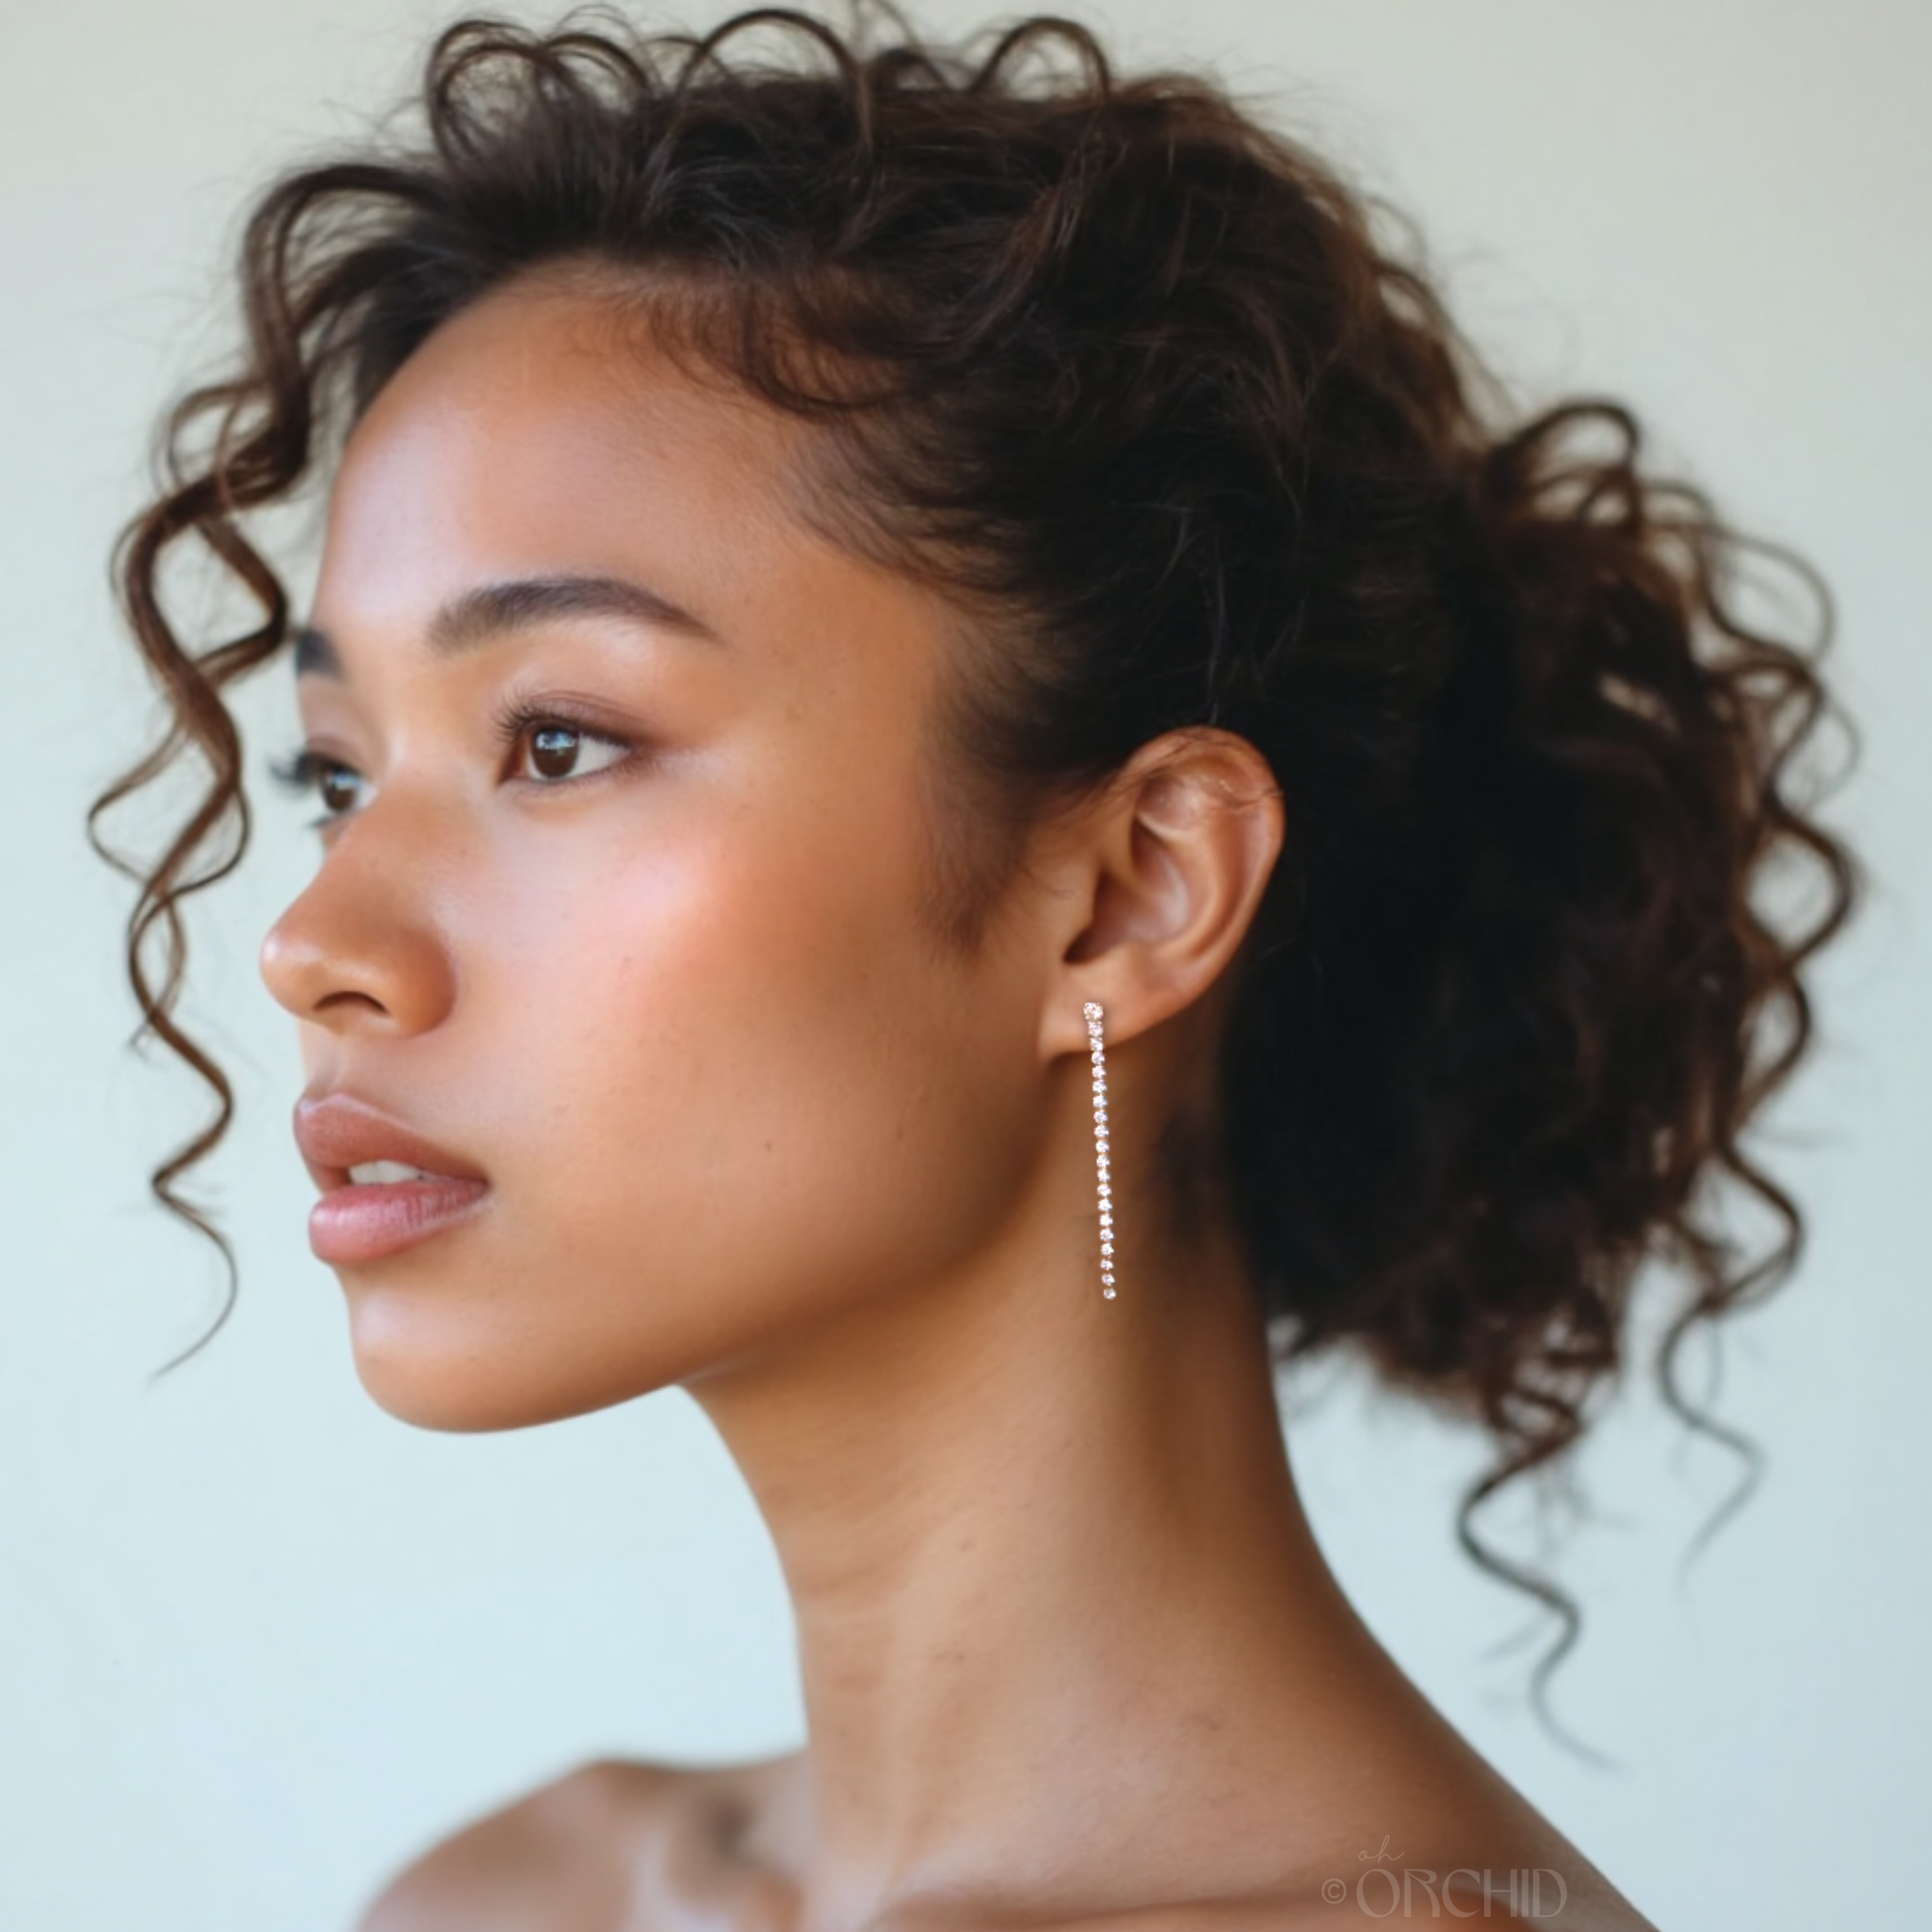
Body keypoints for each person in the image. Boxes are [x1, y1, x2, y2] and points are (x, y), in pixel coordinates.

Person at [90, 8, 1857, 1927]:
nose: (313, 944)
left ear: (1128, 891)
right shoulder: (509, 1898)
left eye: (558, 739)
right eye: (334, 774)